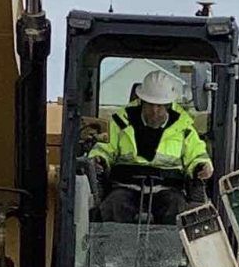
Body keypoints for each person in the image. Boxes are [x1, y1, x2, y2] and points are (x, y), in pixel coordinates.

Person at [85, 71, 212, 222]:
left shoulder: (184, 127)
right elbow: (105, 148)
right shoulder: (120, 122)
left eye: (159, 106)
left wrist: (201, 165)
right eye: (150, 104)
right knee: (112, 206)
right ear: (141, 101)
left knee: (177, 209)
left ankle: (170, 246)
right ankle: (113, 246)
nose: (154, 111)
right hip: (125, 187)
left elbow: (196, 154)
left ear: (168, 105)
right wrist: (99, 159)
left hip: (168, 190)